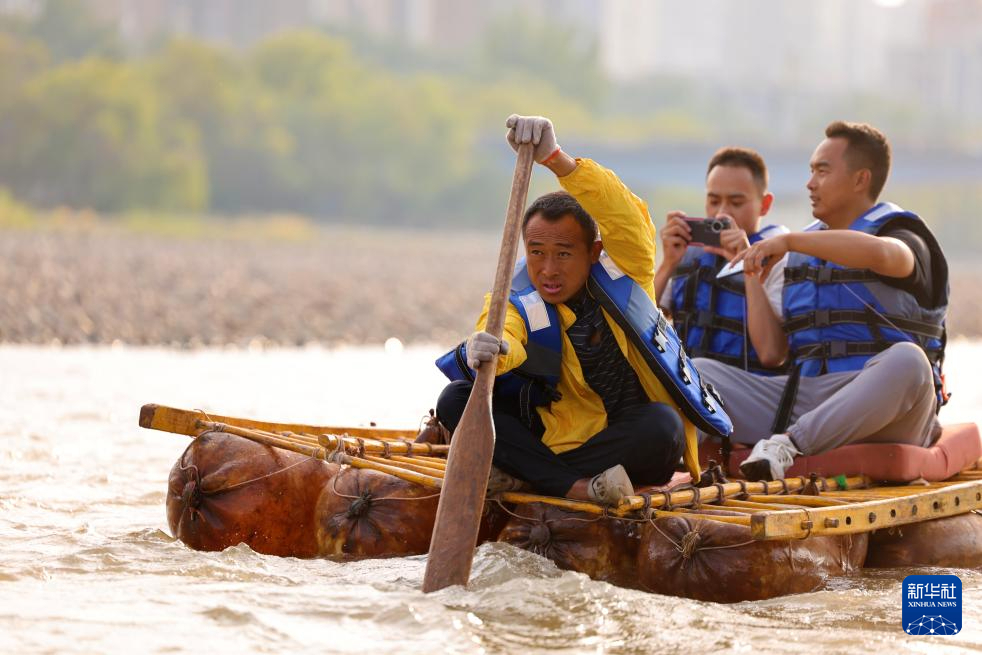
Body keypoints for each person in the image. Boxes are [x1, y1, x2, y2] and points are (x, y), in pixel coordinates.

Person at [433, 114, 731, 505]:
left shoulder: (627, 270)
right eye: (537, 253)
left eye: (563, 254)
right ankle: (573, 487)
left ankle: (528, 476)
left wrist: (556, 158)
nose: (549, 269)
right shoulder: (517, 293)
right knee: (454, 398)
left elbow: (625, 218)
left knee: (664, 427)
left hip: (622, 444)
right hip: (552, 441)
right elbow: (505, 329)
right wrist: (494, 350)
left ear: (593, 252)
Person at [693, 121, 948, 481]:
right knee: (696, 372)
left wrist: (791, 242)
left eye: (822, 171)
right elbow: (771, 353)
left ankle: (788, 446)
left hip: (889, 411)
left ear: (861, 179)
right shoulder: (801, 251)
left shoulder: (903, 237)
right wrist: (750, 272)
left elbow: (885, 255)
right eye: (811, 171)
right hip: (807, 399)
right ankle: (672, 455)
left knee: (910, 362)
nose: (810, 183)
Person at [654, 147, 790, 374]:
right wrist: (668, 263)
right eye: (714, 201)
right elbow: (639, 328)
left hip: (747, 392)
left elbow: (771, 354)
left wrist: (750, 269)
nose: (722, 214)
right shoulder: (688, 256)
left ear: (765, 205)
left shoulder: (779, 260)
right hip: (687, 387)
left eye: (736, 203)